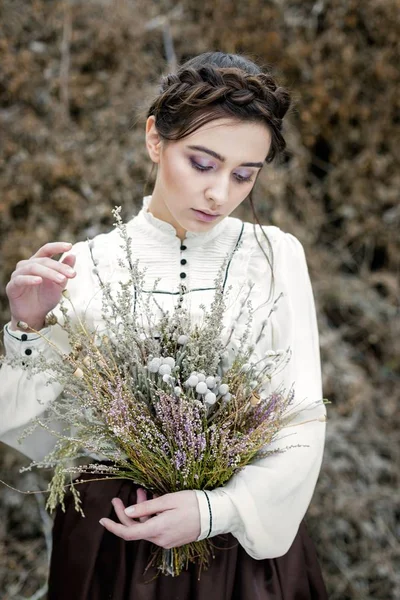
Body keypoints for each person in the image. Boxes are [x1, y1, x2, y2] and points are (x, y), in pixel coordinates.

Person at [0, 52, 328, 599]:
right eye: (203, 163)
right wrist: (27, 328)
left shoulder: (275, 256)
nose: (220, 193)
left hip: (240, 550)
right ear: (156, 139)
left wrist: (213, 510)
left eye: (244, 175)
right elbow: (41, 438)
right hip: (114, 549)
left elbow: (300, 416)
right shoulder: (88, 264)